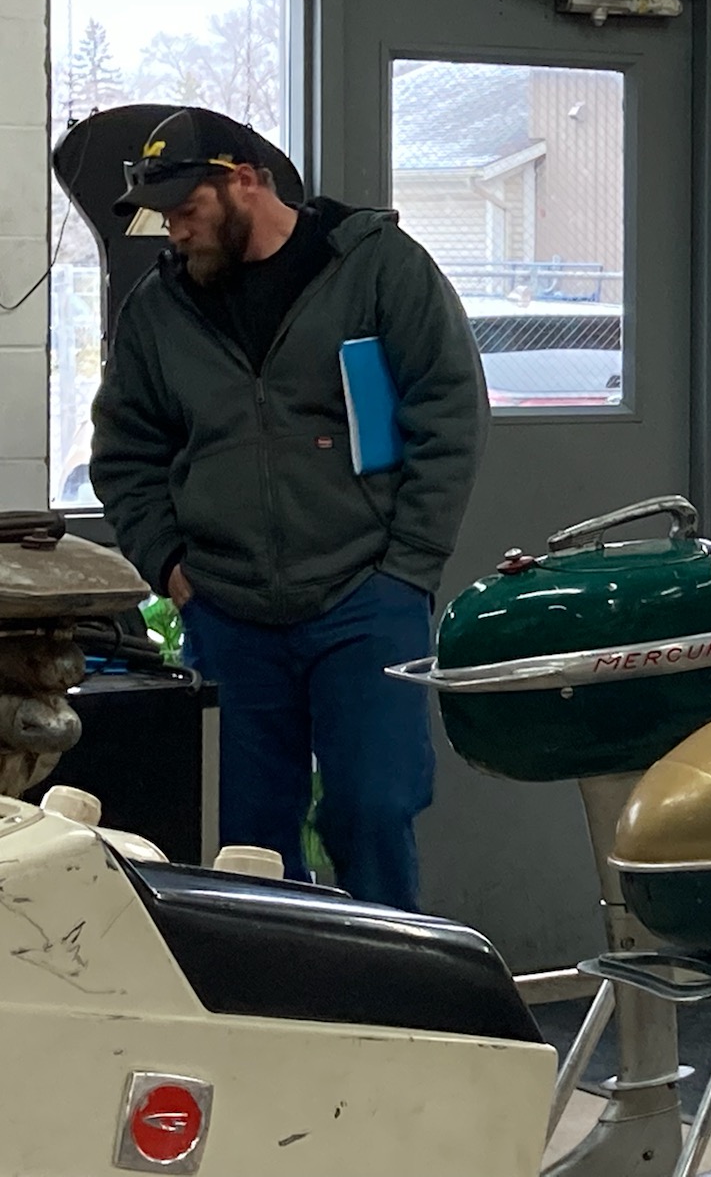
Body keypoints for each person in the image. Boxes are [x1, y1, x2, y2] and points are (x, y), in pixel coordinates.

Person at [92, 106, 486, 910]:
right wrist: (170, 567)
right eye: (165, 218)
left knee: (372, 811)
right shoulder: (159, 310)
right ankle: (273, 987)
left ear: (244, 181)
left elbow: (449, 411)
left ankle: (392, 978)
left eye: (187, 210)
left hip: (365, 596)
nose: (175, 232)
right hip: (227, 607)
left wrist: (408, 566)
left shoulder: (375, 269)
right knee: (249, 842)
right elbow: (125, 453)